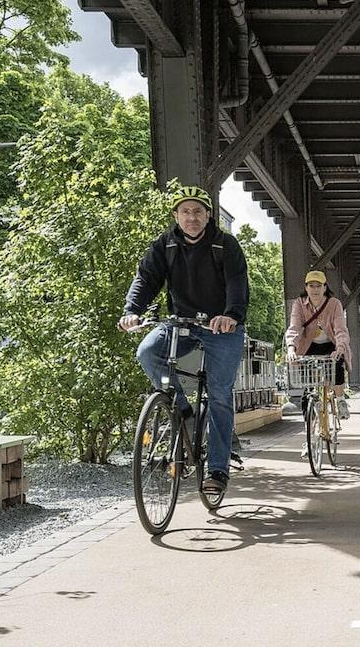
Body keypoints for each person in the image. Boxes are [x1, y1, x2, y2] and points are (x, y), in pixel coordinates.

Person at [118, 186, 249, 495]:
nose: (192, 217)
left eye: (198, 211)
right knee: (148, 352)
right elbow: (146, 279)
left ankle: (217, 469)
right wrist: (132, 311)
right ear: (176, 215)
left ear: (208, 215)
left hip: (222, 327)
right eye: (185, 211)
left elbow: (236, 282)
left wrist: (231, 314)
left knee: (218, 395)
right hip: (181, 323)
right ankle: (182, 408)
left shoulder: (224, 245)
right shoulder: (165, 245)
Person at [285, 270, 351, 419]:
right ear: (306, 287)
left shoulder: (334, 304)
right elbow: (294, 327)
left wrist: (340, 347)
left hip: (330, 343)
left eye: (318, 285)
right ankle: (310, 420)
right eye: (311, 285)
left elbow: (340, 328)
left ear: (325, 287)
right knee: (307, 382)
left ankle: (340, 400)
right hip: (308, 345)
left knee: (336, 366)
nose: (315, 289)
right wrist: (291, 348)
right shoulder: (299, 304)